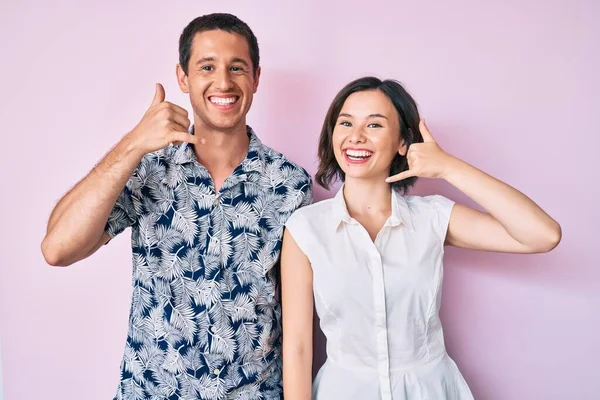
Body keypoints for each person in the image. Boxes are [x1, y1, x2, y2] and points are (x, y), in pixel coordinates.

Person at [41, 13, 312, 400]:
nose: (223, 82)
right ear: (183, 77)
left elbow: (299, 329)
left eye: (237, 68)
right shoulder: (148, 168)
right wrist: (133, 144)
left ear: (256, 78)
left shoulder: (289, 184)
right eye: (207, 67)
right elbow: (57, 248)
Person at [280, 76, 561, 399]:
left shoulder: (431, 218)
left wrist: (449, 168)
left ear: (403, 143)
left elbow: (543, 235)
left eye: (374, 125)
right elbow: (299, 346)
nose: (355, 136)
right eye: (345, 123)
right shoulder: (305, 228)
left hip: (431, 389)